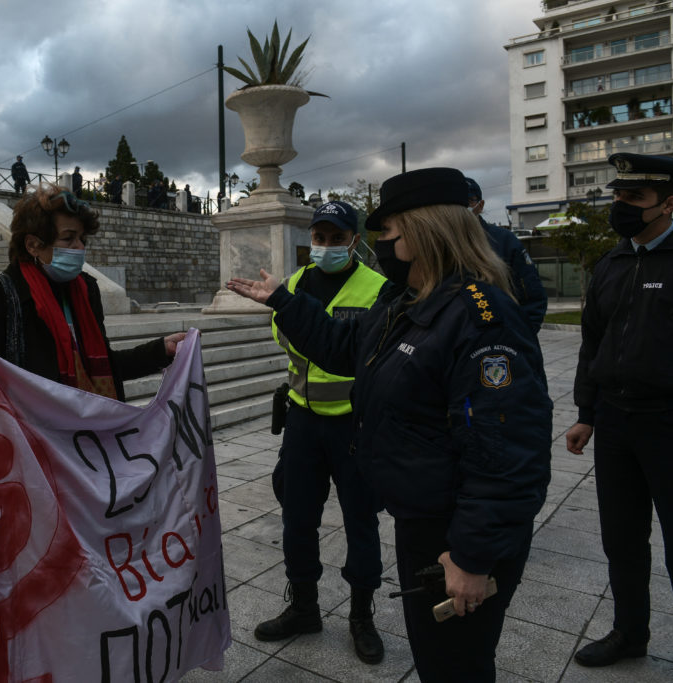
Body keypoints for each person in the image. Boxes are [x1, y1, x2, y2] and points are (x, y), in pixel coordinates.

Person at [227, 167, 552, 682]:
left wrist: (471, 555)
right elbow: (345, 349)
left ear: (425, 233)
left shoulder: (480, 318)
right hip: (421, 517)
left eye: (390, 233)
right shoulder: (406, 302)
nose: (382, 246)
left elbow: (507, 451)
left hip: (456, 532)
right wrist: (284, 302)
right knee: (436, 659)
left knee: (456, 666)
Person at [0, 185, 186, 542]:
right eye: (69, 239)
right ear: (34, 245)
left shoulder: (85, 290)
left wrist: (161, 349)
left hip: (88, 454)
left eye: (82, 239)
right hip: (31, 464)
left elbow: (100, 366)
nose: (80, 249)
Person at [565, 153, 673, 683]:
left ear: (671, 203)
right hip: (616, 423)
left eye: (634, 199)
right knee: (621, 539)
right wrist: (586, 413)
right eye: (617, 196)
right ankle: (629, 632)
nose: (620, 206)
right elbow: (592, 341)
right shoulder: (611, 264)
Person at [252, 201, 387, 665]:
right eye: (319, 238)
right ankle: (304, 607)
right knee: (297, 517)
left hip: (354, 422)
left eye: (336, 238)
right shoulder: (292, 285)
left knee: (361, 521)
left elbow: (360, 351)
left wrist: (311, 325)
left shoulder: (378, 288)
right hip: (303, 418)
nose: (325, 246)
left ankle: (361, 615)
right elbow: (284, 337)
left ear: (355, 240)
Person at [464, 177, 547, 333]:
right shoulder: (442, 242)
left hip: (500, 339)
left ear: (480, 205)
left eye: (468, 201)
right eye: (457, 203)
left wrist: (521, 336)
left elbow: (532, 295)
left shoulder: (503, 240)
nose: (463, 208)